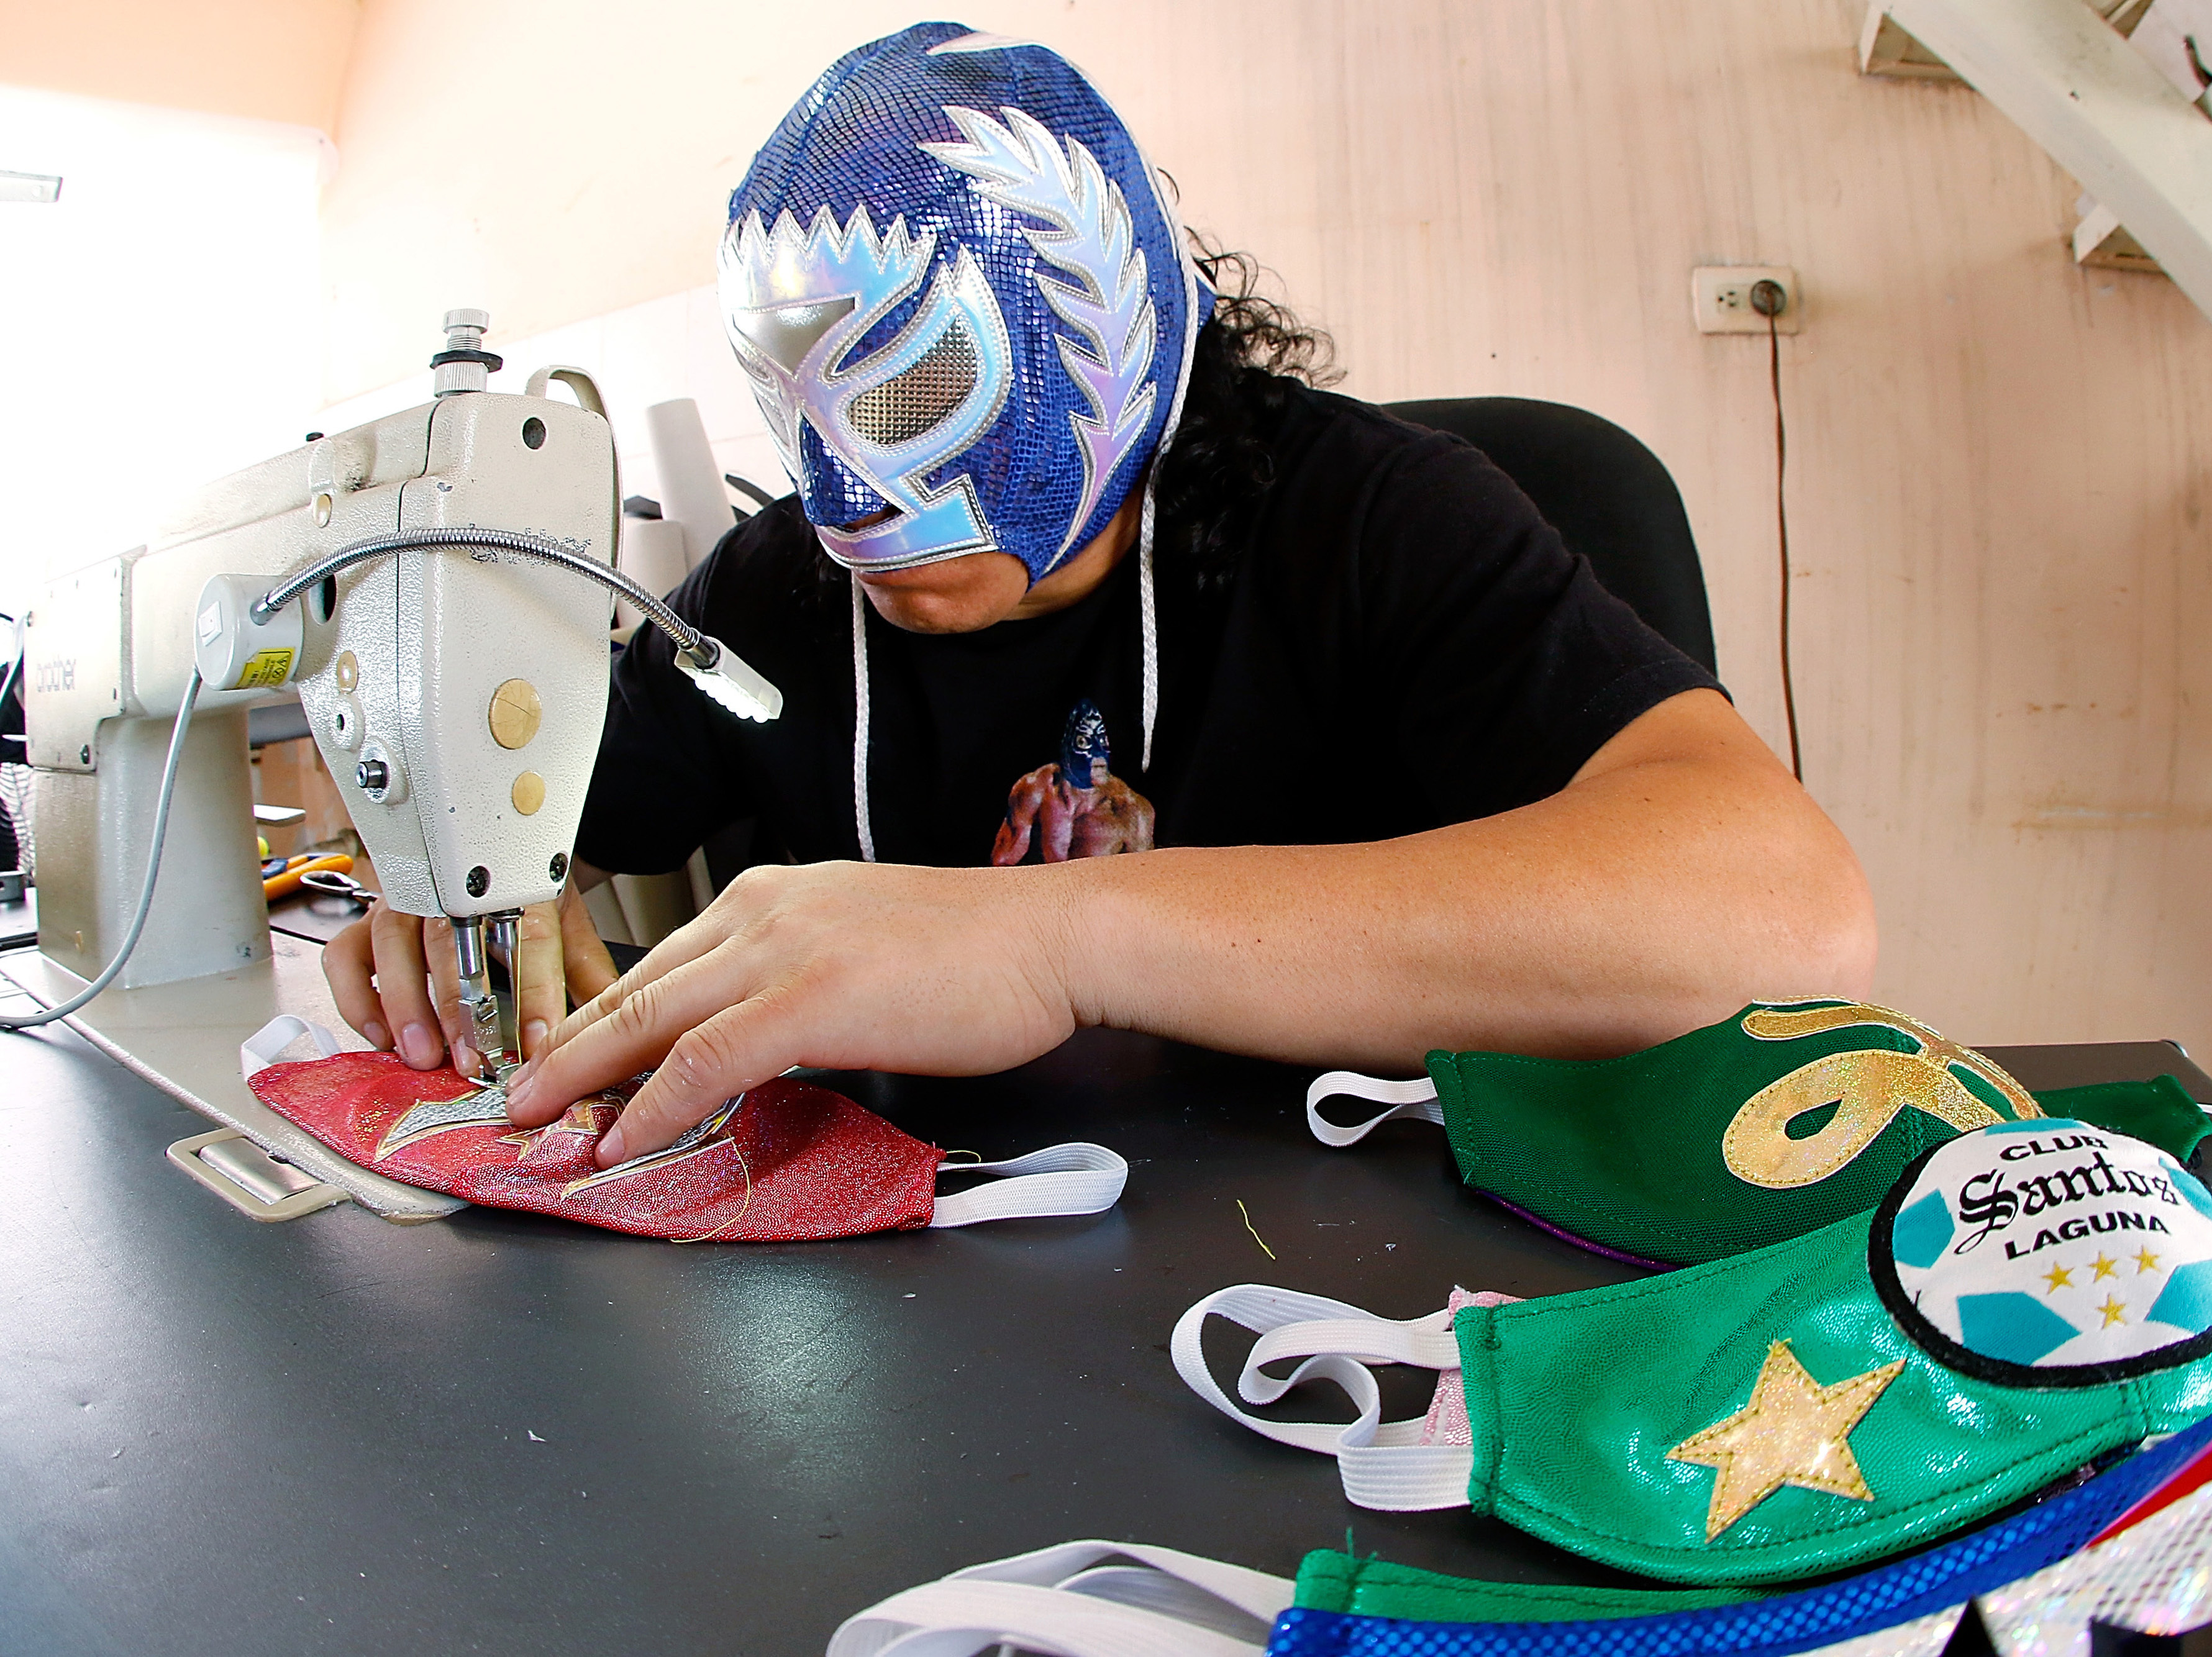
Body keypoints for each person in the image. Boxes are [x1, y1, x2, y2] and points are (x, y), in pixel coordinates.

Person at [325, 24, 1876, 1173]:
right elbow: (529, 812)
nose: (843, 494)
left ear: (1113, 334)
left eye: (923, 381)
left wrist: (1055, 941)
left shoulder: (1360, 519)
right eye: (794, 415)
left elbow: (1784, 910)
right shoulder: (783, 591)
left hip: (1333, 1279)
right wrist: (442, 864)